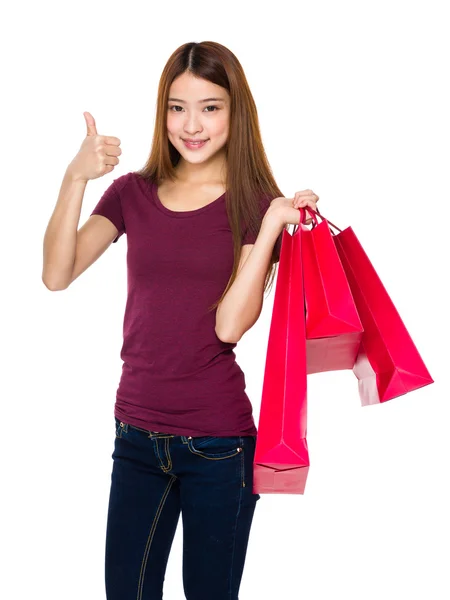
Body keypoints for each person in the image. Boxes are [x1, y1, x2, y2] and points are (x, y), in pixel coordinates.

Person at [42, 41, 319, 600]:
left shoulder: (254, 204)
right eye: (177, 107)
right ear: (162, 112)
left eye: (210, 107)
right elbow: (56, 273)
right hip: (136, 436)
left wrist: (269, 230)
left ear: (236, 112)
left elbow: (230, 327)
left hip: (219, 447)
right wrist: (76, 178)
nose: (191, 125)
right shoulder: (132, 194)